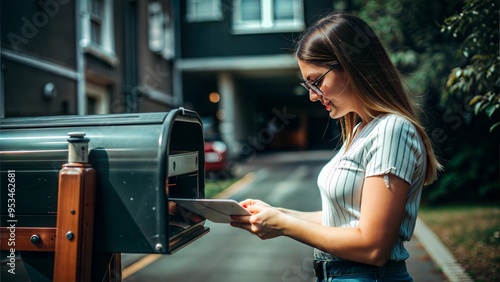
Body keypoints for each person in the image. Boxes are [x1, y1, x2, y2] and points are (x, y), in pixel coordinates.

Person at [230, 11, 442, 282]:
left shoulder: (392, 130)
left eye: (316, 82)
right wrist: (278, 213)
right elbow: (343, 218)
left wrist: (283, 225)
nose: (312, 95)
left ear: (351, 66)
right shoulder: (360, 130)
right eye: (307, 84)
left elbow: (373, 246)